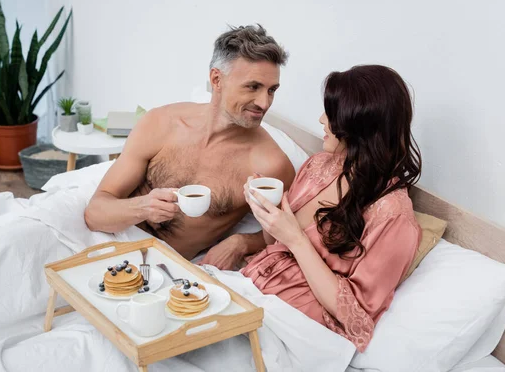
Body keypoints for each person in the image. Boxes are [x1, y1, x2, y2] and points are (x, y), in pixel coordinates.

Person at [241, 65, 422, 352]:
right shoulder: (319, 165)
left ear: (360, 124)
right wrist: (267, 212)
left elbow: (357, 318)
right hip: (250, 291)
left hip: (295, 328)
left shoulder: (393, 215)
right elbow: (274, 246)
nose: (322, 119)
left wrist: (296, 240)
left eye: (332, 113)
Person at [84, 25, 295, 269]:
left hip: (167, 268)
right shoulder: (161, 123)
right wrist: (143, 208)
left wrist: (242, 242)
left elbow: (290, 231)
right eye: (253, 87)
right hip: (110, 238)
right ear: (217, 79)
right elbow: (95, 213)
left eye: (272, 90)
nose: (264, 102)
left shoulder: (270, 164)